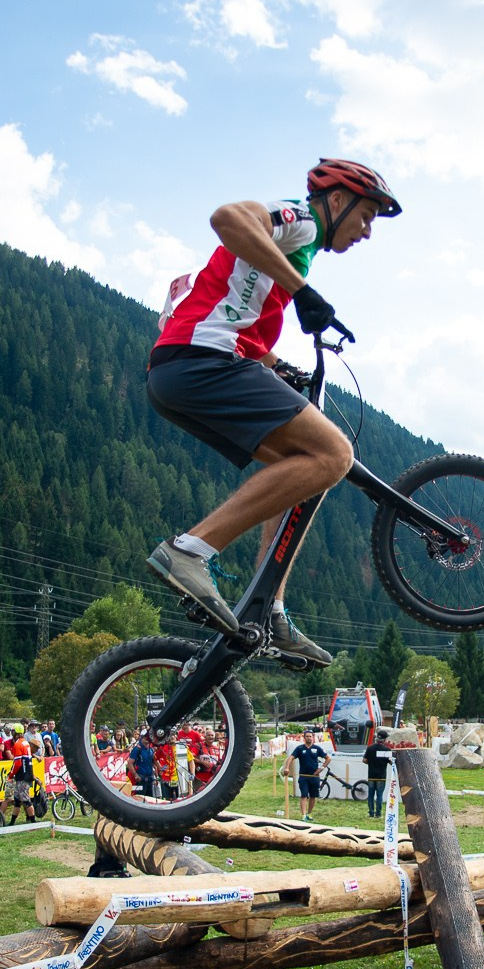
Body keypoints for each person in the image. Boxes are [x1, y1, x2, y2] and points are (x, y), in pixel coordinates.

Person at [143, 159, 402, 670]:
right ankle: (190, 550)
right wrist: (303, 291)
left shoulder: (292, 251)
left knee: (308, 469)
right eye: (367, 216)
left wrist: (280, 365)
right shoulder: (299, 220)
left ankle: (271, 605)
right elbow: (227, 218)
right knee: (335, 453)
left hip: (189, 367)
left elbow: (229, 313)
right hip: (202, 362)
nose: (367, 232)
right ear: (336, 200)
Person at [284, 730, 329, 819]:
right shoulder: (300, 748)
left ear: (313, 737)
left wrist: (321, 768)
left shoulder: (317, 748)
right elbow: (291, 758)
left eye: (310, 736)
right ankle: (303, 815)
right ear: (304, 738)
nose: (309, 738)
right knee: (304, 795)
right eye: (307, 736)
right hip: (303, 776)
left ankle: (309, 813)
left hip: (314, 777)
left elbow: (328, 758)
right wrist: (287, 768)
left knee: (313, 796)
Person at [363, 727, 393, 817]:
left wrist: (371, 763)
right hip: (381, 776)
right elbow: (391, 762)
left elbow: (364, 760)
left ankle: (371, 813)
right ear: (384, 739)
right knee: (379, 795)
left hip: (371, 775)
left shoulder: (370, 748)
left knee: (371, 795)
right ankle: (378, 814)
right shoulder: (387, 750)